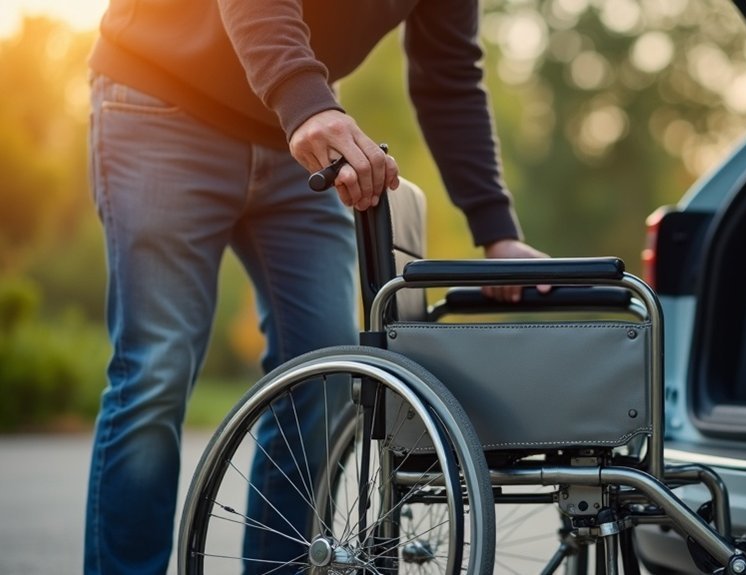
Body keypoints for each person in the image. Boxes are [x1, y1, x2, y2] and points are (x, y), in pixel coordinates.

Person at [83, 0, 547, 573]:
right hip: (165, 100)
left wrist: (497, 231)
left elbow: (449, 74)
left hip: (294, 138)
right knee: (158, 370)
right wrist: (305, 102)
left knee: (326, 376)